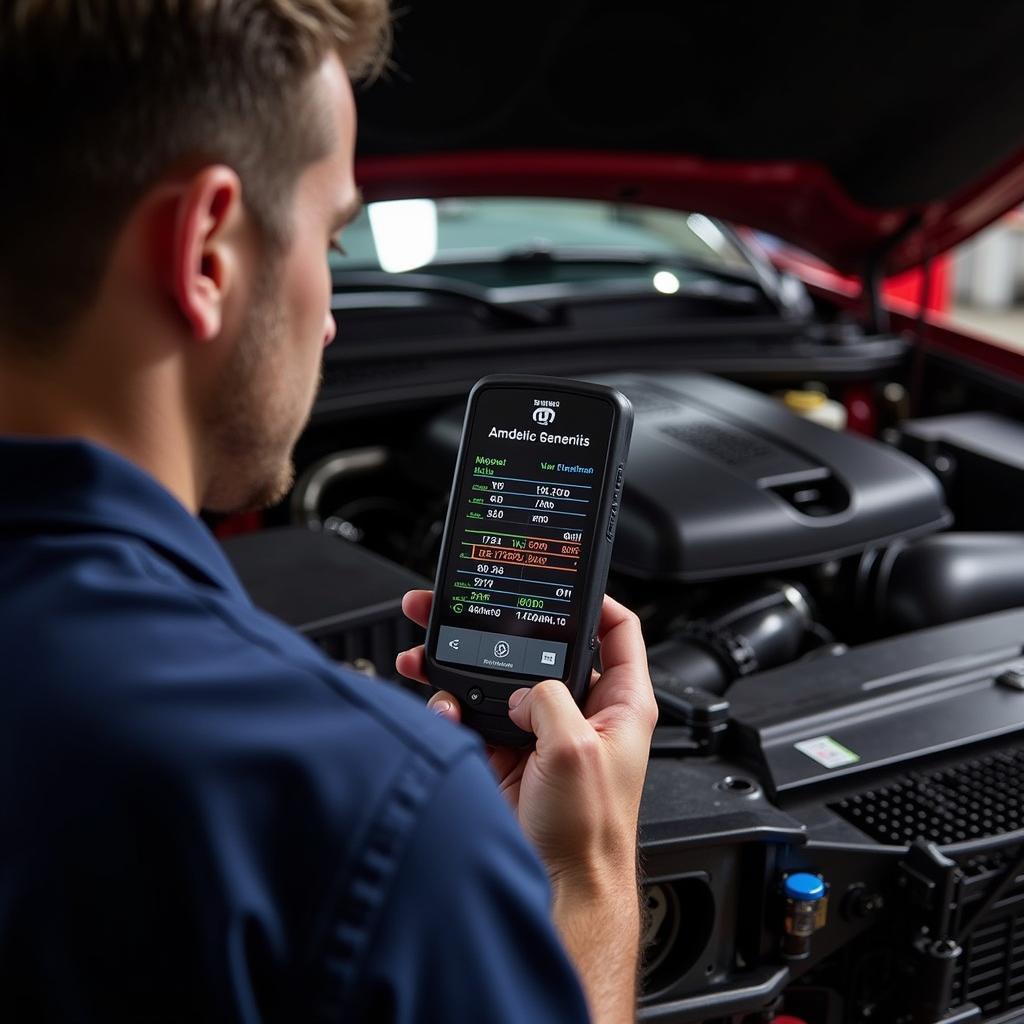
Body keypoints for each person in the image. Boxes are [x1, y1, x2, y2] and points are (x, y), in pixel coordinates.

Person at [0, 2, 658, 1022]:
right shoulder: (367, 814)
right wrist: (593, 879)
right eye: (333, 239)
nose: (332, 313)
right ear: (206, 251)